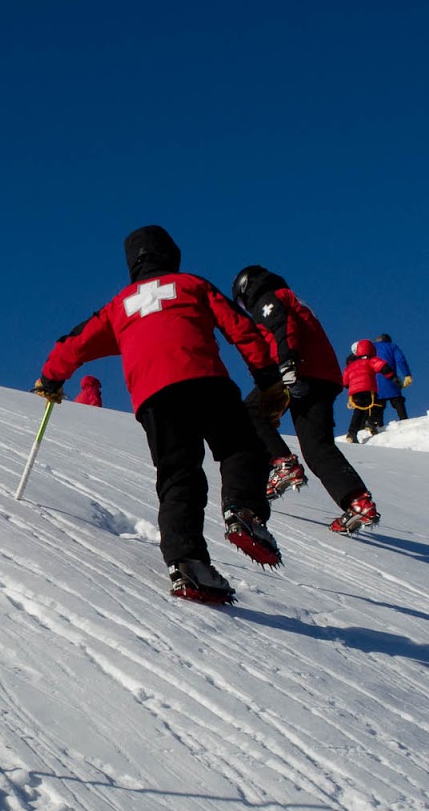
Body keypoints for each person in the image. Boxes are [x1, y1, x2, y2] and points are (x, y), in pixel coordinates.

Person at [33, 226, 286, 605]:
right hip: (205, 379)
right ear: (171, 255)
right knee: (240, 446)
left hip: (154, 397)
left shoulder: (118, 306)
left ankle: (188, 565)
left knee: (178, 473)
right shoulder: (192, 285)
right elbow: (241, 328)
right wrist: (267, 380)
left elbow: (74, 343)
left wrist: (51, 379)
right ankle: (243, 510)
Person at [232, 266, 381, 535]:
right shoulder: (293, 297)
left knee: (251, 413)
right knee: (316, 446)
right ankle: (358, 501)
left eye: (242, 301)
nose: (245, 307)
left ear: (247, 287)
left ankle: (284, 464)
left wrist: (286, 364)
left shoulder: (269, 296)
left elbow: (281, 325)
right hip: (324, 376)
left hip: (296, 369)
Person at [342, 340, 396, 444]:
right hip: (368, 388)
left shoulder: (351, 365)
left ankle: (352, 433)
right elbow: (383, 367)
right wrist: (392, 377)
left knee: (358, 411)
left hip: (354, 392)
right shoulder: (371, 360)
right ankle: (370, 422)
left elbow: (345, 381)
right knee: (376, 405)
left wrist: (350, 387)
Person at [372, 333, 412, 421]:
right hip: (391, 377)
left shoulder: (371, 348)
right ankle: (404, 420)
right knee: (397, 401)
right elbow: (400, 360)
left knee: (377, 405)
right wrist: (407, 374)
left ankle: (377, 426)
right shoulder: (392, 346)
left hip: (374, 381)